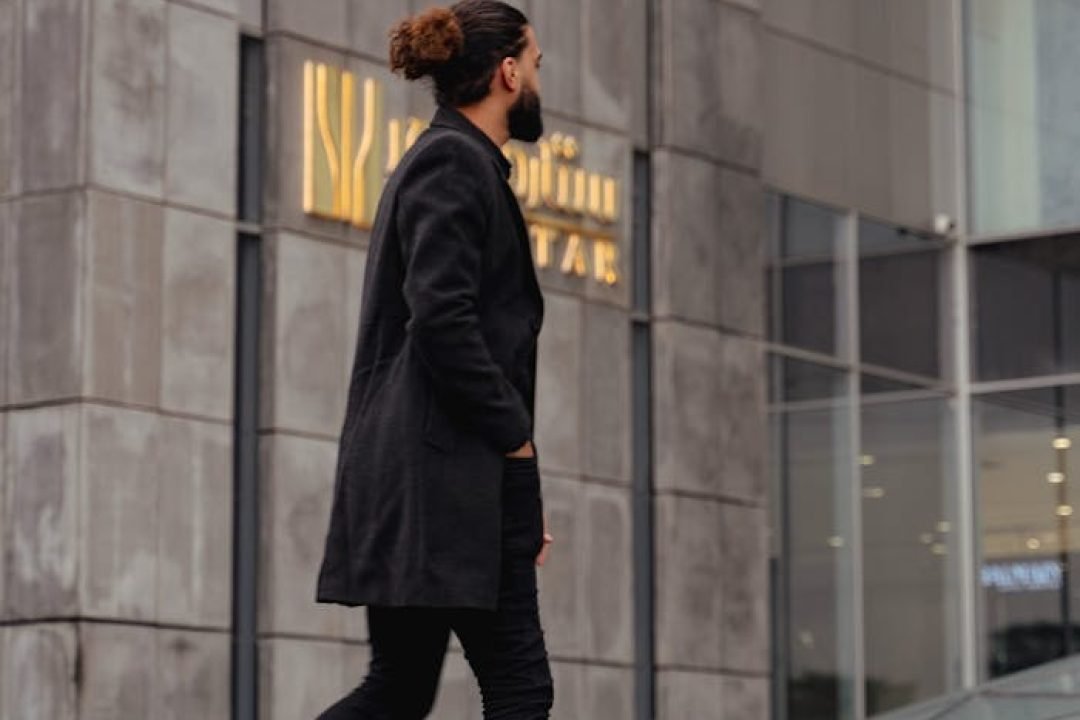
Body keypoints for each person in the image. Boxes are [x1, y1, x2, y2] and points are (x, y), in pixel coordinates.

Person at [313, 1, 554, 718]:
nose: (540, 80)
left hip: (434, 483)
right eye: (537, 64)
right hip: (448, 486)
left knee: (400, 686)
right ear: (508, 73)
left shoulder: (454, 162)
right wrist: (515, 442)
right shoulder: (453, 162)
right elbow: (442, 319)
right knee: (519, 689)